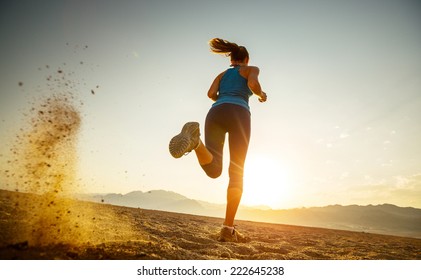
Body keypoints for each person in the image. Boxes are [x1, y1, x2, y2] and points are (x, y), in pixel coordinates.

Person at [169, 38, 267, 242]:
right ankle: (227, 229)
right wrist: (260, 94)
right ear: (246, 59)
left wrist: (222, 99)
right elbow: (253, 84)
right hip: (239, 112)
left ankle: (196, 143)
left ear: (231, 59)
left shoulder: (222, 75)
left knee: (214, 169)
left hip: (215, 113)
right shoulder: (250, 69)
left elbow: (211, 94)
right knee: (236, 172)